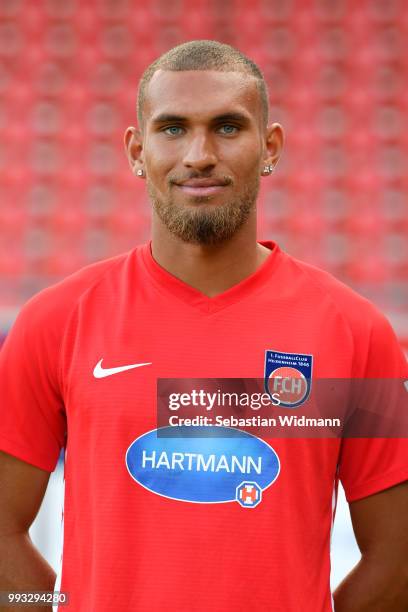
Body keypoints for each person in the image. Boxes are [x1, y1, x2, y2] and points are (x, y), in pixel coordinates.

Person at [0, 40, 407, 612]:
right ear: (136, 150)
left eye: (227, 127)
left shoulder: (357, 333)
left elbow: (398, 556)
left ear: (271, 147)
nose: (198, 154)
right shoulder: (54, 322)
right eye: (171, 129)